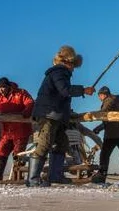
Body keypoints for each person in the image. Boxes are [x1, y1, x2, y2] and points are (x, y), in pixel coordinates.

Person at [27, 45, 95, 187]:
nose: (73, 68)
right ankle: (32, 179)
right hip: (49, 115)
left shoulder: (61, 73)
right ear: (68, 62)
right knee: (45, 144)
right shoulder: (59, 72)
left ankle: (55, 176)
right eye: (73, 65)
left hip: (57, 116)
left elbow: (61, 94)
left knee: (61, 144)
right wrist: (83, 90)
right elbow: (65, 90)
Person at [0, 77, 34, 181]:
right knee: (1, 151)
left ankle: (17, 177)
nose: (1, 89)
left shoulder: (20, 93)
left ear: (8, 86)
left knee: (18, 154)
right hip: (6, 131)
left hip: (21, 130)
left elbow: (29, 102)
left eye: (3, 87)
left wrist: (26, 111)